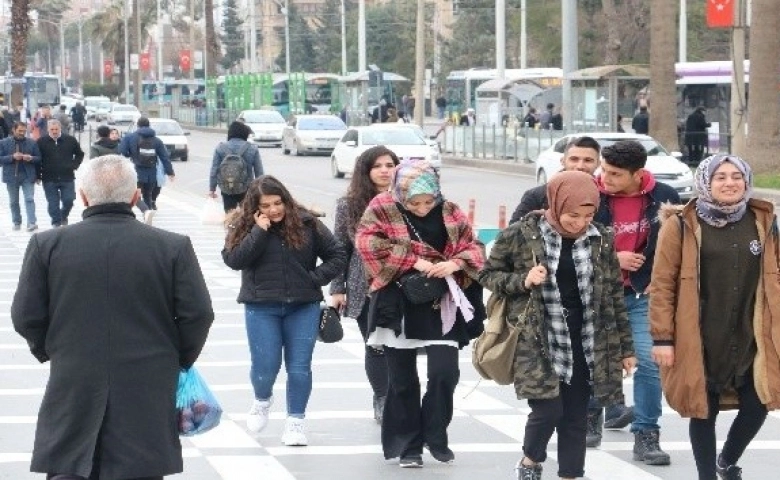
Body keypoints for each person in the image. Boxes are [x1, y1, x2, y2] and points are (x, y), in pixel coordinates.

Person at [11, 154, 214, 480]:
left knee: (72, 463)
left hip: (74, 374)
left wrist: (54, 349)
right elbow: (199, 314)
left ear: (82, 197)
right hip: (148, 379)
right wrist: (176, 357)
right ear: (135, 196)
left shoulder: (47, 245)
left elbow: (26, 315)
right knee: (141, 468)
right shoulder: (171, 246)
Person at [479, 171, 636, 480]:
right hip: (537, 338)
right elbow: (487, 275)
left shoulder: (601, 238)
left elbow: (615, 297)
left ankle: (570, 474)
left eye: (588, 215)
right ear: (555, 203)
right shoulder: (520, 234)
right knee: (548, 410)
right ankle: (530, 461)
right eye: (572, 214)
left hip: (585, 337)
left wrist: (625, 350)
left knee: (577, 416)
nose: (580, 222)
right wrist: (522, 280)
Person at [649, 154, 780, 480]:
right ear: (706, 182)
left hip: (750, 333)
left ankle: (727, 459)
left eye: (736, 176)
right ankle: (706, 475)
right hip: (700, 333)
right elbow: (663, 285)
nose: (729, 183)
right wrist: (663, 338)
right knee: (702, 409)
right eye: (720, 177)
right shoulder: (681, 224)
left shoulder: (764, 222)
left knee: (758, 403)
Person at [355, 160, 485, 467]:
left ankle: (435, 433)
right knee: (402, 381)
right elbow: (367, 244)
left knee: (445, 374)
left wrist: (455, 263)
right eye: (415, 203)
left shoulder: (450, 210)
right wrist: (414, 260)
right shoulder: (381, 207)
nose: (423, 208)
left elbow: (474, 247)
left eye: (429, 201)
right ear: (401, 194)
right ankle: (409, 446)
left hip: (442, 301)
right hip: (397, 302)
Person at [222, 175, 346, 446]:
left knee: (299, 367)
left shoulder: (307, 223)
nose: (274, 210)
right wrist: (258, 230)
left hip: (303, 306)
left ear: (286, 200)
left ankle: (295, 422)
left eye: (278, 203)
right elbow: (233, 260)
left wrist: (314, 279)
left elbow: (338, 254)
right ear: (255, 207)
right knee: (265, 368)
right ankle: (262, 400)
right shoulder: (244, 226)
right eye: (265, 205)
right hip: (261, 306)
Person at [593, 140, 680, 466]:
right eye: (604, 170)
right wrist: (612, 257)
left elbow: (675, 245)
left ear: (638, 174)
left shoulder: (664, 196)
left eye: (615, 174)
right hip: (598, 293)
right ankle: (591, 414)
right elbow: (570, 240)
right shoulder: (592, 193)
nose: (605, 178)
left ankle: (646, 433)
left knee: (648, 362)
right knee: (594, 358)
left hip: (643, 294)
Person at [330, 146, 400, 424]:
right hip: (365, 286)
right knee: (375, 345)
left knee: (399, 346)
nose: (385, 170)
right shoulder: (349, 205)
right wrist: (338, 288)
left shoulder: (408, 200)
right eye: (377, 166)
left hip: (401, 284)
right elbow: (340, 249)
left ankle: (399, 396)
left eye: (390, 164)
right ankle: (382, 398)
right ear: (365, 171)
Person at [120, 117, 174, 212]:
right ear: (149, 125)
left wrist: (131, 154)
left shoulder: (129, 137)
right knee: (148, 194)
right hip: (151, 172)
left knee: (135, 194)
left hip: (136, 172)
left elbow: (123, 152)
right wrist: (170, 172)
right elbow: (164, 157)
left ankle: (142, 211)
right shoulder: (156, 140)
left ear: (138, 125)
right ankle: (148, 212)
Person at [37, 119, 85, 227]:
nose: (54, 131)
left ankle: (63, 216)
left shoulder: (70, 140)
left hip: (67, 176)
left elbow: (80, 154)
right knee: (53, 203)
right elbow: (37, 159)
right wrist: (37, 174)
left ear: (60, 129)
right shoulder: (41, 141)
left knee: (69, 199)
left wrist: (73, 165)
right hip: (49, 177)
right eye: (52, 129)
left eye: (56, 129)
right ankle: (56, 222)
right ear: (48, 129)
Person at [209, 121, 264, 212]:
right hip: (247, 188)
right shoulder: (252, 148)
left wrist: (212, 189)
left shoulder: (220, 148)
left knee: (230, 215)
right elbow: (259, 172)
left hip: (227, 187)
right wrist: (261, 189)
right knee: (246, 215)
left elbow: (214, 170)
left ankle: (230, 224)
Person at [0, 121, 41, 231]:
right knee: (14, 201)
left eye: (24, 131)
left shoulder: (32, 142)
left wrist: (31, 158)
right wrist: (12, 157)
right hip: (11, 176)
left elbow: (39, 158)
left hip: (28, 175)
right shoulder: (3, 143)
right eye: (20, 131)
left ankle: (32, 222)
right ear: (14, 130)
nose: (22, 133)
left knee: (29, 199)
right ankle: (17, 221)